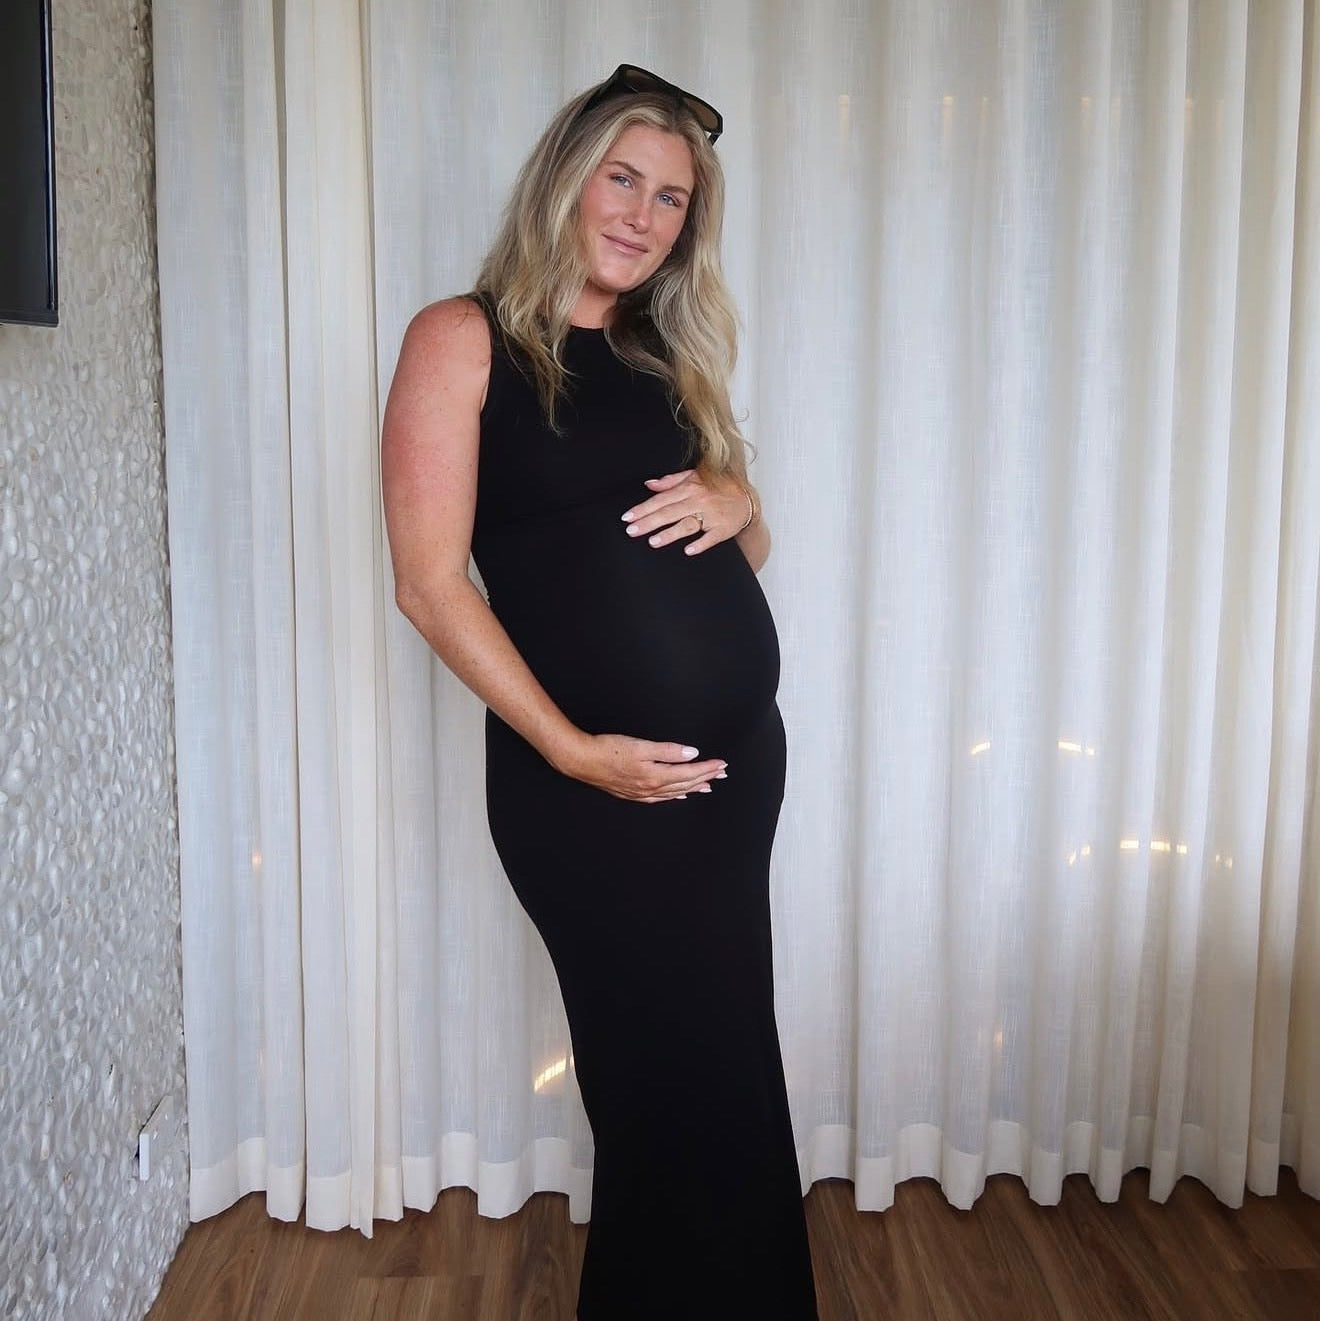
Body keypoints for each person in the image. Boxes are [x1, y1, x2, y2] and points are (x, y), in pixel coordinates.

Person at [380, 64, 819, 1320]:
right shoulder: (460, 339)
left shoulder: (661, 351)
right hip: (586, 791)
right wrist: (572, 749)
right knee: (657, 1082)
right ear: (565, 180)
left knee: (727, 1072)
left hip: (731, 782)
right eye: (623, 179)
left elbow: (739, 548)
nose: (643, 214)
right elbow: (428, 582)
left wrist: (745, 502)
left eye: (673, 198)